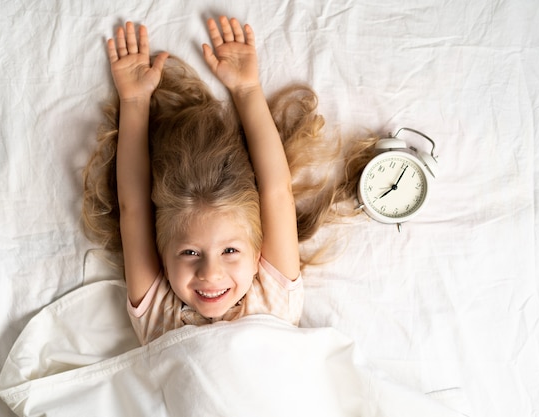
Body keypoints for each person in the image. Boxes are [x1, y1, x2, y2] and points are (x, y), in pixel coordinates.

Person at [83, 17, 373, 345]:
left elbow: (278, 195)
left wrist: (247, 89)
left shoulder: (266, 292)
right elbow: (133, 208)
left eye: (231, 250)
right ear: (161, 257)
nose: (210, 273)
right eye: (190, 252)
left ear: (258, 255)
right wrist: (134, 101)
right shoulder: (264, 303)